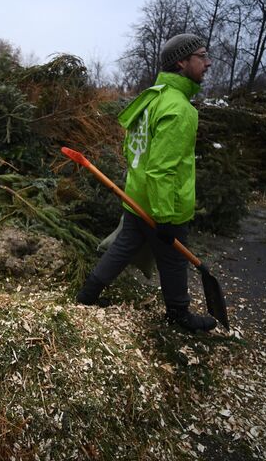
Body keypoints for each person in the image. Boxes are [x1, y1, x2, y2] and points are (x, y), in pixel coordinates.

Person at [76, 33, 216, 332]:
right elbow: (162, 170)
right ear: (182, 62)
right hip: (162, 204)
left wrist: (136, 189)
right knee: (174, 261)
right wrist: (165, 217)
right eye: (202, 56)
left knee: (123, 247)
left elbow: (132, 150)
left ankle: (86, 297)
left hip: (136, 197)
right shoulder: (178, 109)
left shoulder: (151, 98)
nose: (208, 62)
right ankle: (179, 314)